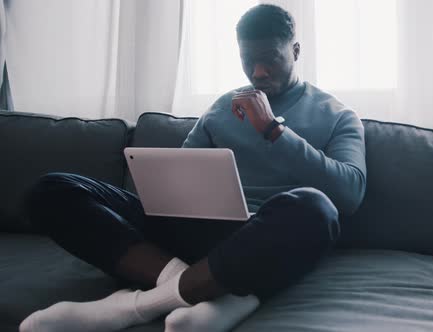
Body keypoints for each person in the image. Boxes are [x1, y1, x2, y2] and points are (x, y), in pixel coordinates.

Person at [19, 4, 366, 332]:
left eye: (270, 60)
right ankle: (216, 292)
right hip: (192, 232)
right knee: (50, 190)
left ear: (296, 51)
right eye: (249, 61)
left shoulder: (337, 116)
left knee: (316, 208)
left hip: (260, 239)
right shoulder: (220, 109)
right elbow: (179, 179)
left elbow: (348, 194)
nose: (259, 72)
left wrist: (274, 131)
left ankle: (134, 306)